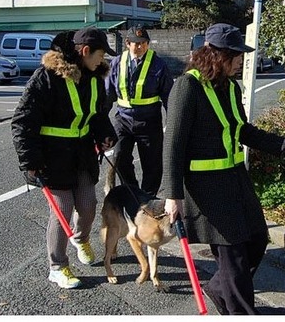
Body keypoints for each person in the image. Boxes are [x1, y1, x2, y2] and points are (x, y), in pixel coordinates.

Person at [160, 22, 285, 315]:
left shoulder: (229, 87)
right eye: (236, 55)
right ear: (217, 55)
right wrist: (172, 195)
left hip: (235, 180)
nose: (241, 60)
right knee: (234, 257)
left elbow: (242, 130)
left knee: (257, 240)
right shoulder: (187, 87)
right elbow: (172, 143)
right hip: (205, 189)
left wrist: (280, 143)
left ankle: (217, 288)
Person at [11, 27, 117, 289]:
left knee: (89, 204)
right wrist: (31, 161)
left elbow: (99, 115)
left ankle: (80, 238)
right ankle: (57, 266)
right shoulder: (46, 77)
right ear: (84, 51)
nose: (102, 60)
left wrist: (105, 134)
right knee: (62, 211)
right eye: (100, 54)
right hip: (52, 157)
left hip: (82, 155)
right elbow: (22, 121)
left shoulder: (94, 77)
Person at [105, 25, 173, 195]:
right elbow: (107, 96)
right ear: (128, 43)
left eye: (144, 43)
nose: (141, 46)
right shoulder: (116, 63)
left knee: (152, 164)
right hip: (123, 119)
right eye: (136, 43)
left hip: (149, 121)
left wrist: (173, 124)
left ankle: (148, 197)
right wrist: (100, 125)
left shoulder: (158, 64)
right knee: (119, 158)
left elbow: (169, 97)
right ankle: (133, 193)